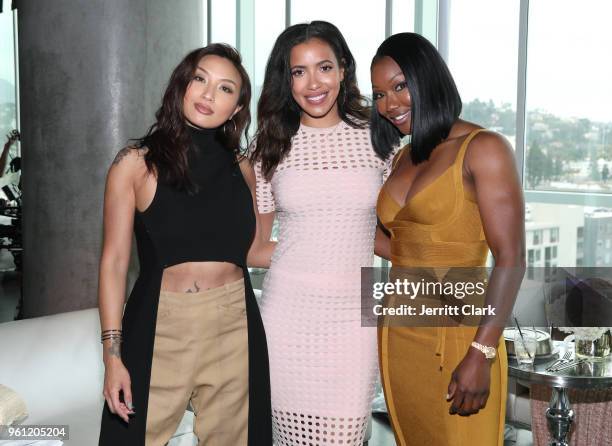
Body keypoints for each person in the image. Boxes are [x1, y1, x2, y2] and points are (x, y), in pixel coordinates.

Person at [98, 44, 273, 446]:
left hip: (235, 320)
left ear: (237, 107)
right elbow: (114, 263)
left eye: (225, 88)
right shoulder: (135, 163)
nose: (209, 95)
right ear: (181, 85)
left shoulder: (242, 168)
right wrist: (112, 355)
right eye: (200, 79)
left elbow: (252, 250)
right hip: (162, 322)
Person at [371, 33, 525, 445]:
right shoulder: (403, 157)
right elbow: (400, 246)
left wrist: (482, 353)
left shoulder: (485, 148)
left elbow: (511, 258)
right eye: (380, 94)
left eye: (400, 86)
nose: (390, 104)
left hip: (462, 336)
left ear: (428, 78)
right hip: (398, 335)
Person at [250, 20, 393, 446]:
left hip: (354, 322)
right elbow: (256, 248)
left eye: (324, 67)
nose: (313, 83)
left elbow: (384, 236)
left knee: (346, 435)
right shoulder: (270, 147)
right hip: (287, 319)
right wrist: (315, 253)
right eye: (299, 71)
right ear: (286, 80)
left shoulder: (379, 138)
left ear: (344, 69)